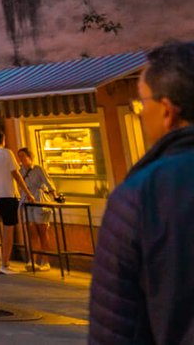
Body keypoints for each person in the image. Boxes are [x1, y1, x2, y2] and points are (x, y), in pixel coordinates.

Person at [89, 41, 194, 345]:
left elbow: (115, 327)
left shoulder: (139, 198)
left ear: (167, 112)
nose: (138, 112)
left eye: (141, 102)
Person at [0, 129, 33, 274]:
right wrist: (27, 192)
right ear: (3, 140)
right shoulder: (7, 153)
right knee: (9, 229)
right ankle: (5, 264)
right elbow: (16, 174)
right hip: (8, 193)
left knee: (5, 217)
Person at [15, 146, 58, 272]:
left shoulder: (38, 169)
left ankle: (45, 261)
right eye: (19, 156)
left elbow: (49, 184)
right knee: (32, 232)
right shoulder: (20, 171)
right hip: (27, 203)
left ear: (29, 157)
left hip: (39, 201)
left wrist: (54, 197)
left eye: (23, 156)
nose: (21, 159)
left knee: (42, 232)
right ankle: (32, 261)